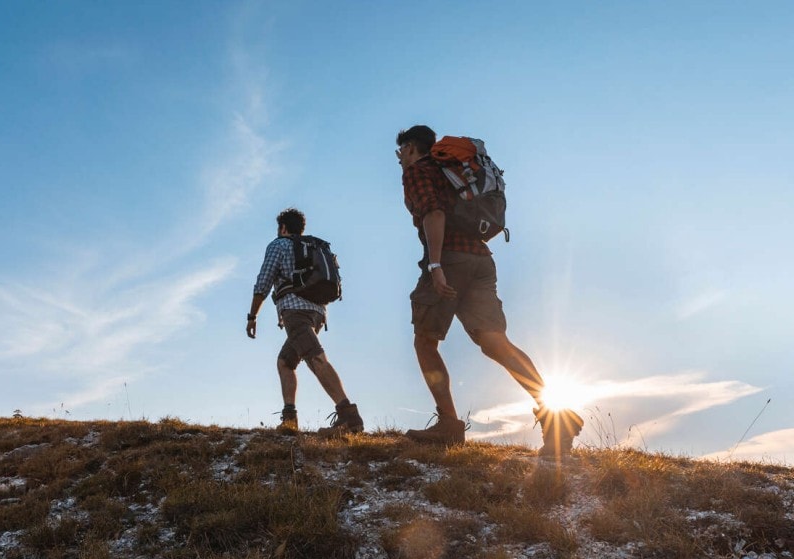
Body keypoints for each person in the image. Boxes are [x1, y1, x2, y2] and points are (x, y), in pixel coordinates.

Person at [396, 125, 582, 455]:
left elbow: (434, 212)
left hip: (449, 259)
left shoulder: (419, 170)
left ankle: (449, 425)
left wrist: (436, 265)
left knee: (425, 341)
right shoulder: (454, 172)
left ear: (411, 147)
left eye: (401, 152)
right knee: (495, 341)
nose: (399, 159)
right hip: (481, 260)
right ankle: (555, 414)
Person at [246, 208, 364, 437]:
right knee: (285, 362)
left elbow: (263, 281)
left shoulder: (279, 245)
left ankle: (348, 416)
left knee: (315, 359)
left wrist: (252, 316)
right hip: (318, 313)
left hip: (295, 312)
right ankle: (290, 419)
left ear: (283, 228)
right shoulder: (313, 247)